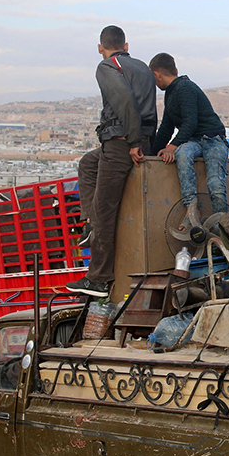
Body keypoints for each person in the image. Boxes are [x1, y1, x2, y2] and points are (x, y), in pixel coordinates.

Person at [68, 26, 158, 297]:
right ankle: (88, 225)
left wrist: (132, 142)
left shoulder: (107, 66)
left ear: (100, 48)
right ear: (126, 45)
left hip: (122, 143)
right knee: (87, 164)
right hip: (138, 139)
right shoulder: (141, 66)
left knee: (104, 211)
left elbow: (125, 102)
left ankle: (97, 278)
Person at [149, 53, 229, 228]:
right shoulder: (172, 93)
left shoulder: (184, 88)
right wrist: (152, 154)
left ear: (156, 75)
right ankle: (191, 209)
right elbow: (166, 128)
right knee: (183, 153)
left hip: (213, 139)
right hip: (195, 140)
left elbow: (190, 122)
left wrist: (171, 146)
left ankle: (223, 225)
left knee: (215, 182)